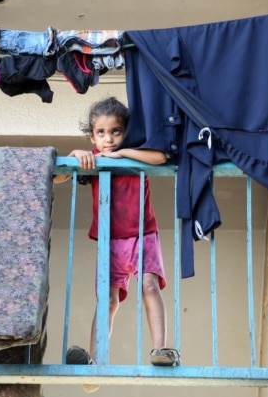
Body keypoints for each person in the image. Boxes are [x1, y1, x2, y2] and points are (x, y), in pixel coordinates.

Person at [55, 97, 181, 371]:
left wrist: (123, 154)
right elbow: (57, 177)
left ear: (127, 133)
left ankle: (160, 349)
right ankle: (94, 360)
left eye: (116, 131)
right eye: (101, 133)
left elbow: (159, 157)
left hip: (142, 234)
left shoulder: (133, 155)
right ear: (92, 136)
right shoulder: (95, 160)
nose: (109, 139)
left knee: (149, 286)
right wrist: (76, 156)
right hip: (109, 241)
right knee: (108, 300)